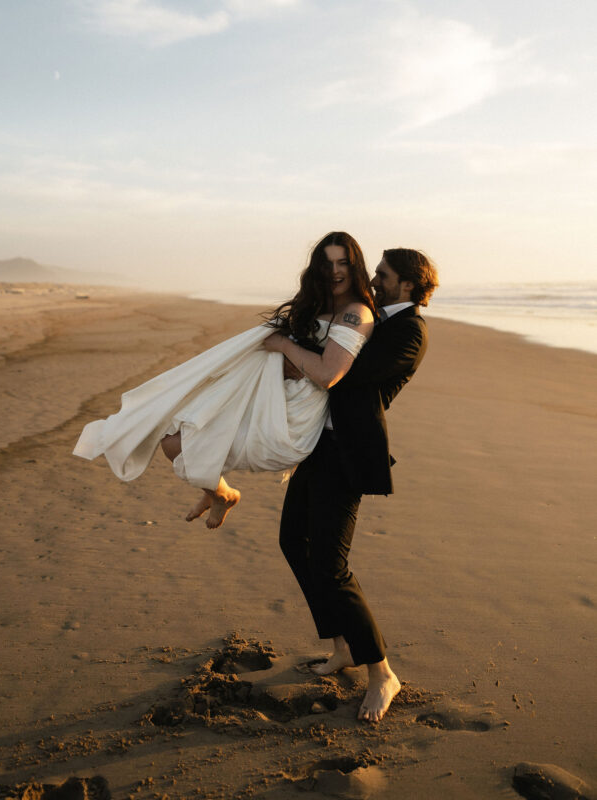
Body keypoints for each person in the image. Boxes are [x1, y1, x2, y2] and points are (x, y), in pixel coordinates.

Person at [73, 232, 377, 529]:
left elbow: (327, 375)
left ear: (355, 267)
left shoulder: (356, 313)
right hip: (265, 395)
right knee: (170, 429)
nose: (335, 271)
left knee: (178, 444)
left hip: (289, 422)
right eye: (327, 264)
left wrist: (285, 348)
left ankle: (222, 494)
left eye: (343, 263)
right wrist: (284, 357)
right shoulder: (318, 307)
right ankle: (216, 493)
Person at [264, 247, 438, 723]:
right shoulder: (376, 318)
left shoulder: (409, 331)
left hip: (347, 456)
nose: (373, 280)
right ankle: (343, 645)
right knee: (292, 542)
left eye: (383, 275)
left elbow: (339, 374)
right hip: (320, 446)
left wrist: (287, 348)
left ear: (407, 284)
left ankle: (383, 672)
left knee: (331, 565)